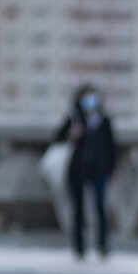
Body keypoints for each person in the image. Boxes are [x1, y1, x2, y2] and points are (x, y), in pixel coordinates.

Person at [53, 84, 116, 259]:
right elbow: (57, 137)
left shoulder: (103, 119)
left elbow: (111, 147)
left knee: (100, 208)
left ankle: (102, 245)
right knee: (79, 209)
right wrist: (71, 134)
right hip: (77, 170)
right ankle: (79, 247)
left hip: (99, 170)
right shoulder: (74, 119)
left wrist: (111, 169)